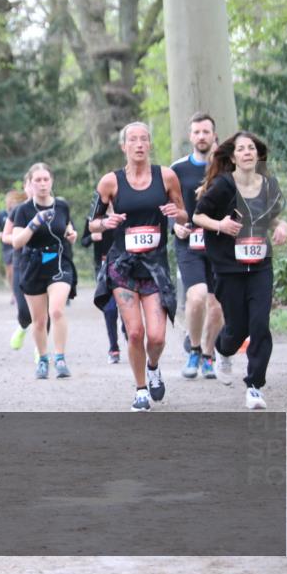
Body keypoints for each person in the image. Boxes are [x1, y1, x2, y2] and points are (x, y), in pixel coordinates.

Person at [90, 122, 187, 411]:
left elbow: (184, 216)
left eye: (144, 139)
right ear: (124, 146)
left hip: (154, 266)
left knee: (156, 337)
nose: (139, 144)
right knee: (135, 333)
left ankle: (153, 366)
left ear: (150, 144)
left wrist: (176, 213)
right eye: (133, 139)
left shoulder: (166, 177)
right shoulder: (111, 181)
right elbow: (92, 222)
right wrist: (106, 223)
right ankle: (141, 388)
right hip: (123, 265)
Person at [193, 131, 287, 409]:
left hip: (260, 264)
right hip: (228, 266)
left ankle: (255, 386)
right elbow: (199, 215)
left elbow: (273, 218)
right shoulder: (223, 185)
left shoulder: (268, 185)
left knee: (259, 324)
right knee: (236, 328)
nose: (247, 152)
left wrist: (281, 227)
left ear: (257, 155)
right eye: (241, 149)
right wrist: (221, 225)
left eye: (251, 148)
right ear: (232, 157)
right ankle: (222, 350)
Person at [170, 112, 225, 381]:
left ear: (214, 135)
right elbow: (166, 205)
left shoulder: (227, 167)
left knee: (218, 306)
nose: (202, 137)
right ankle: (193, 349)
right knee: (196, 296)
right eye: (197, 132)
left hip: (221, 244)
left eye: (206, 132)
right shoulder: (178, 169)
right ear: (190, 136)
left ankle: (207, 353)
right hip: (189, 242)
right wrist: (174, 225)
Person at [10, 163, 78, 379]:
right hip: (33, 265)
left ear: (52, 181)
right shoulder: (23, 210)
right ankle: (42, 359)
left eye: (45, 179)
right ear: (29, 184)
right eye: (37, 180)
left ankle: (60, 358)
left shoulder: (62, 205)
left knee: (56, 311)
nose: (42, 184)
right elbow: (16, 242)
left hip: (59, 262)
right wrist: (34, 223)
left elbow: (67, 226)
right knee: (38, 321)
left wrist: (71, 233)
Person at [81, 203, 125, 364]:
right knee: (110, 308)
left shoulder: (124, 213)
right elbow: (83, 242)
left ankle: (127, 327)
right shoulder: (94, 219)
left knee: (126, 307)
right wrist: (92, 237)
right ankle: (113, 348)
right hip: (102, 267)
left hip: (124, 264)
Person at [1, 179, 33, 351]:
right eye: (34, 182)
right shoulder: (19, 210)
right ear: (26, 187)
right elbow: (6, 236)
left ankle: (40, 353)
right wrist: (20, 237)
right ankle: (22, 326)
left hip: (47, 261)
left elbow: (68, 229)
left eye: (44, 180)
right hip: (22, 261)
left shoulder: (56, 208)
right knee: (25, 312)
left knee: (45, 313)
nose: (38, 186)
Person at [0, 191, 22, 304]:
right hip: (6, 246)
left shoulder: (20, 212)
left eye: (14, 201)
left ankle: (18, 292)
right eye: (10, 201)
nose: (12, 203)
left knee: (17, 269)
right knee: (10, 271)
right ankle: (13, 292)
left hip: (18, 245)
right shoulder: (1, 215)